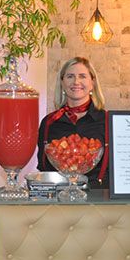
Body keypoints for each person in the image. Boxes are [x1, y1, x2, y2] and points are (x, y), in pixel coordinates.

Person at [37, 57, 110, 188]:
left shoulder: (107, 121)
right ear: (62, 83)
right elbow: (43, 168)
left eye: (82, 76)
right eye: (70, 76)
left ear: (92, 83)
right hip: (59, 196)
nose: (76, 81)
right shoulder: (49, 123)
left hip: (98, 195)